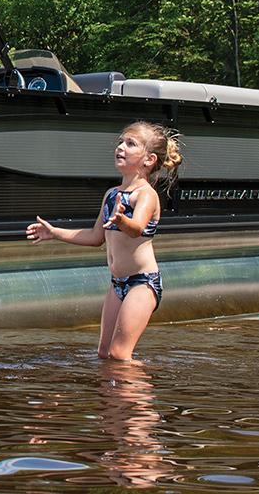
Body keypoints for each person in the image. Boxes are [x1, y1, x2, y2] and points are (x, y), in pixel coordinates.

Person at [24, 122, 183, 361]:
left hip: (142, 283)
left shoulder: (146, 195)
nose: (120, 147)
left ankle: (139, 397)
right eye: (121, 142)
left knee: (120, 354)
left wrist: (121, 220)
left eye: (130, 144)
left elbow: (136, 228)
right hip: (117, 283)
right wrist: (55, 232)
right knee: (104, 353)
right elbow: (95, 237)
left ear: (149, 160)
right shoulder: (111, 195)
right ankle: (114, 398)